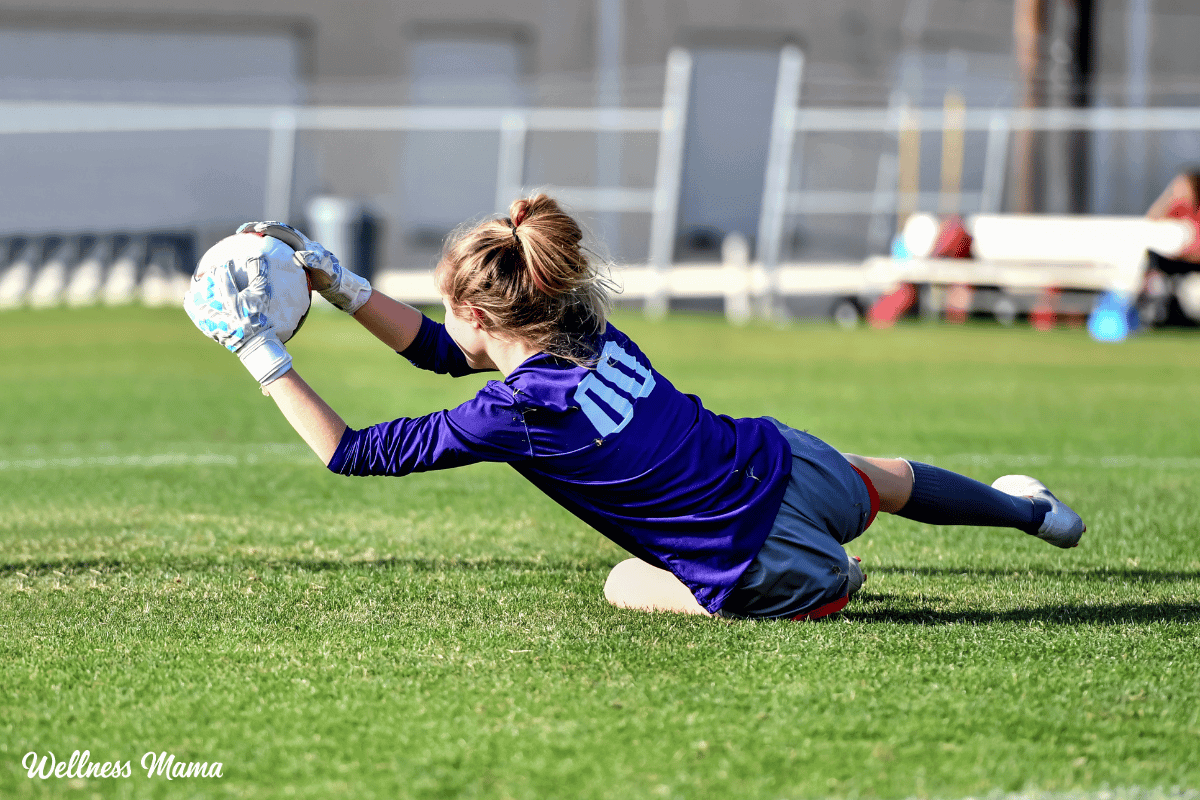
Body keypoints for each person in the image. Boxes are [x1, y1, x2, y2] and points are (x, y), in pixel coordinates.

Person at [185, 195, 1085, 620]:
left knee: (621, 583)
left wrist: (258, 350)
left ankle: (830, 584)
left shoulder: (510, 412)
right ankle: (1031, 514)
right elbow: (439, 350)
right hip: (781, 463)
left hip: (748, 561)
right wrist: (334, 282)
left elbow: (348, 450)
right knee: (881, 476)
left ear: (473, 314)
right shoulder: (583, 322)